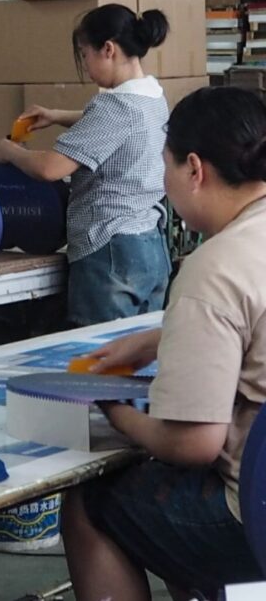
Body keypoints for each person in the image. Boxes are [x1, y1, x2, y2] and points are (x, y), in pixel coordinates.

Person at [62, 87, 266, 601]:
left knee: (94, 502)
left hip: (253, 515)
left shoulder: (213, 267)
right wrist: (161, 338)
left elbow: (193, 444)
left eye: (165, 168)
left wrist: (112, 408)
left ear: (194, 169)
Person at [0, 4, 172, 327]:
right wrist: (56, 115)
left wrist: (10, 152)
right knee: (139, 361)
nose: (86, 67)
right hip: (150, 247)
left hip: (110, 251)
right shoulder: (152, 96)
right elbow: (117, 129)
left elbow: (51, 168)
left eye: (85, 55)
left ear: (108, 49)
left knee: (99, 363)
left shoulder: (114, 106)